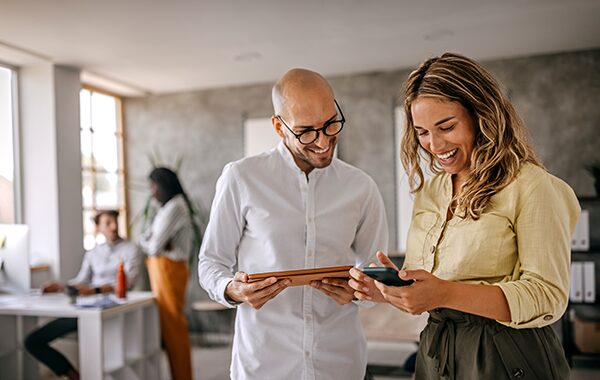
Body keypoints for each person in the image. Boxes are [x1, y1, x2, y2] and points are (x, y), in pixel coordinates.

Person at [349, 52, 581, 380]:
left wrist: (445, 292)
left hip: (508, 353)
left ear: (481, 115)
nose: (433, 144)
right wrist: (387, 291)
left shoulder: (532, 186)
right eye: (423, 132)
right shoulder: (431, 192)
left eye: (446, 126)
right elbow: (430, 291)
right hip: (437, 353)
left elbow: (547, 296)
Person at [198, 68, 389, 379]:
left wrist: (359, 291)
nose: (324, 141)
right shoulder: (241, 177)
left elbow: (376, 272)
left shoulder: (362, 187)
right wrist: (233, 289)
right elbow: (210, 262)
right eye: (306, 131)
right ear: (278, 126)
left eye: (330, 124)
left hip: (340, 361)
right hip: (263, 363)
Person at [25, 210, 141, 380]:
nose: (114, 226)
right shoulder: (93, 253)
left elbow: (128, 282)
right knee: (33, 341)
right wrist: (60, 286)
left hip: (114, 311)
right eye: (108, 223)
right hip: (87, 310)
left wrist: (95, 291)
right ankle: (73, 375)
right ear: (98, 227)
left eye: (116, 221)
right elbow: (81, 280)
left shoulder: (131, 249)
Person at [139, 167, 194, 380]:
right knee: (169, 328)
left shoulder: (175, 207)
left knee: (174, 329)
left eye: (154, 186)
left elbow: (152, 246)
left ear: (163, 185)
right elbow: (146, 239)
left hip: (169, 270)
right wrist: (154, 241)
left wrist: (154, 241)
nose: (152, 191)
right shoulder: (165, 208)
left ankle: (183, 376)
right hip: (162, 269)